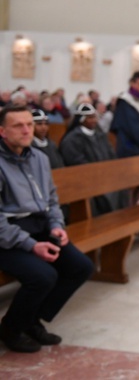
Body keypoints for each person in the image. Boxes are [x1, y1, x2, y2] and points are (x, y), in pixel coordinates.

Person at [0, 105, 94, 353]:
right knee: (43, 276)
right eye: (18, 126)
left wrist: (56, 226)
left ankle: (30, 320)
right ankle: (10, 328)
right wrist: (31, 245)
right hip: (7, 234)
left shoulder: (39, 158)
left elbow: (51, 199)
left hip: (40, 225)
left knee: (81, 267)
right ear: (2, 131)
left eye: (29, 124)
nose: (26, 130)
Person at [59, 103, 126, 216]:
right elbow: (77, 163)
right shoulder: (72, 139)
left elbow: (111, 155)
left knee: (122, 188)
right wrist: (99, 174)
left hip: (105, 177)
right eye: (90, 117)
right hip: (86, 181)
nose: (94, 120)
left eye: (94, 117)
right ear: (81, 120)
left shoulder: (100, 135)